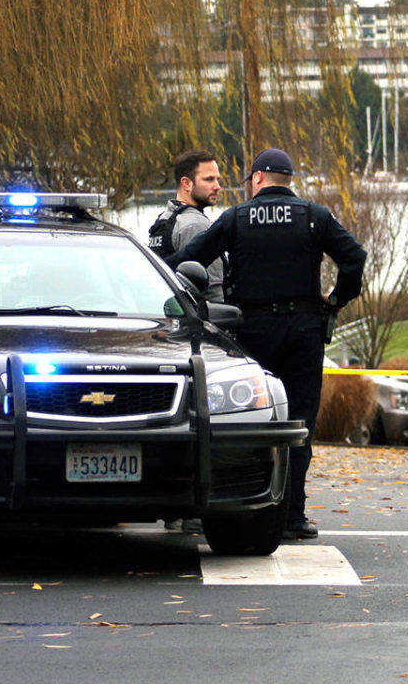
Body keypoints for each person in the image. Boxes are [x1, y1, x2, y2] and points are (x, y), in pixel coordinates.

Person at [167, 148, 366, 540]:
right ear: (287, 180)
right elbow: (354, 258)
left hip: (253, 330)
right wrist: (337, 299)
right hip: (304, 331)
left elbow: (186, 262)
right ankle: (293, 516)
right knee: (300, 422)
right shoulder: (314, 216)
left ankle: (250, 507)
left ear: (257, 179)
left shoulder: (237, 219)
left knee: (252, 419)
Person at [149, 151, 225, 302]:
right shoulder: (196, 225)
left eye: (218, 179)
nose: (217, 186)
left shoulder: (164, 219)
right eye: (209, 179)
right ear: (186, 183)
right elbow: (213, 291)